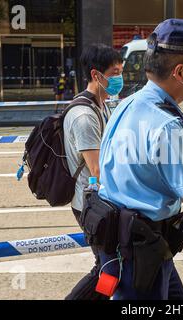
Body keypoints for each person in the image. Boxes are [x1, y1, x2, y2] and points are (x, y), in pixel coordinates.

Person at [96, 18, 183, 300]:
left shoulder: (127, 104)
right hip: (143, 249)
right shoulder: (169, 126)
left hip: (120, 241)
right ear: (180, 72)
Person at [64, 44, 123, 300]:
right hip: (91, 204)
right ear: (96, 74)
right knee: (108, 268)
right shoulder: (84, 116)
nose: (120, 77)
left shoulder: (102, 105)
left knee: (111, 268)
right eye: (115, 72)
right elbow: (97, 168)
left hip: (99, 201)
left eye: (121, 70)